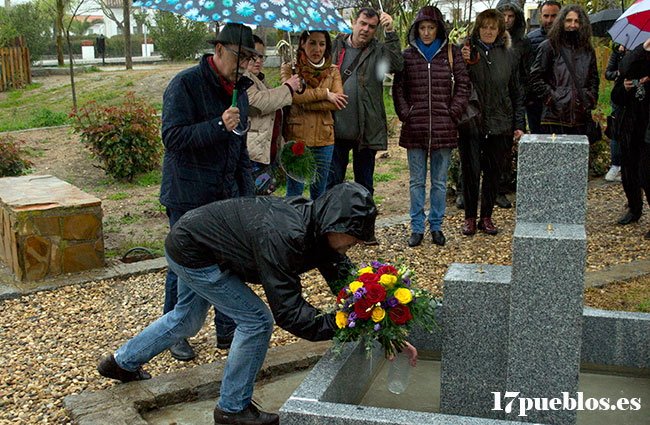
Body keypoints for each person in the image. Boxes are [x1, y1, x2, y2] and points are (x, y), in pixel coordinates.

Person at [97, 182, 418, 425]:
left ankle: (120, 363)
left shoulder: (319, 229)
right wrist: (343, 323)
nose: (352, 246)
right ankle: (232, 409)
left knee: (187, 320)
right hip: (194, 250)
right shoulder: (286, 236)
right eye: (352, 238)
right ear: (335, 224)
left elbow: (349, 287)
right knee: (256, 321)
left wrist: (384, 332)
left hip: (199, 238)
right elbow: (289, 314)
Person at [157, 23, 261, 362]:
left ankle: (227, 329)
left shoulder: (240, 91)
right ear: (218, 50)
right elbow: (172, 138)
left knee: (226, 261)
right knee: (182, 266)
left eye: (250, 57)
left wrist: (248, 198)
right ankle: (176, 333)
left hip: (224, 194)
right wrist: (218, 125)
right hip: (187, 193)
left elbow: (239, 150)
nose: (245, 64)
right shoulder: (185, 84)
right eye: (240, 56)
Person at [392, 6, 470, 247]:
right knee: (416, 181)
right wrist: (406, 114)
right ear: (416, 30)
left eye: (431, 28)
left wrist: (452, 113)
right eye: (422, 28)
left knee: (438, 181)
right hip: (415, 126)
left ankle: (436, 225)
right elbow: (398, 90)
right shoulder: (407, 55)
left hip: (443, 126)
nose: (426, 33)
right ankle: (417, 227)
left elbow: (463, 85)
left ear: (438, 29)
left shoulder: (451, 53)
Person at [327, 7, 404, 221]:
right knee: (332, 183)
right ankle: (332, 226)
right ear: (354, 22)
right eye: (362, 23)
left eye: (372, 26)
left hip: (366, 129)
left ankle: (364, 228)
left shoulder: (379, 51)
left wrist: (391, 34)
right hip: (335, 128)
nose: (366, 29)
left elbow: (398, 65)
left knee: (364, 186)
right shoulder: (335, 46)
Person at [459, 9, 526, 236]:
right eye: (484, 27)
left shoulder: (509, 54)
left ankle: (486, 216)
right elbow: (458, 83)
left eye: (493, 27)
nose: (488, 31)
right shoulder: (468, 51)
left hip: (501, 121)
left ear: (500, 31)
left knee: (493, 172)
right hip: (472, 121)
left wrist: (519, 123)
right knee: (471, 171)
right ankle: (469, 216)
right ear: (478, 28)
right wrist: (464, 61)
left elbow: (517, 91)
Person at [281, 30, 347, 200]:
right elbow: (291, 96)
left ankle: (316, 225)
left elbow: (338, 102)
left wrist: (305, 100)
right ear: (302, 43)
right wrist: (325, 94)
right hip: (297, 135)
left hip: (324, 139)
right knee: (294, 191)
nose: (317, 48)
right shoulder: (290, 68)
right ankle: (293, 225)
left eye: (322, 44)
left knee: (320, 191)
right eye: (312, 43)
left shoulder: (333, 71)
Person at [529, 4, 599, 137]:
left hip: (580, 116)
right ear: (562, 22)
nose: (572, 25)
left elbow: (593, 78)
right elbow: (535, 77)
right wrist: (551, 98)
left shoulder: (588, 50)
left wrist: (590, 98)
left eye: (577, 21)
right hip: (554, 117)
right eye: (568, 20)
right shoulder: (549, 46)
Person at [244, 35, 301, 195]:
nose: (258, 60)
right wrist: (288, 88)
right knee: (253, 203)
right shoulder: (243, 79)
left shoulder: (260, 80)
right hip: (253, 156)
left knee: (263, 200)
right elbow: (258, 102)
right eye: (253, 55)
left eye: (261, 56)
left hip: (266, 155)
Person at [496, 0, 532, 209]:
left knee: (504, 150)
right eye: (504, 16)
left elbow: (525, 74)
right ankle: (466, 190)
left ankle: (500, 189)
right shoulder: (489, 38)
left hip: (512, 99)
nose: (507, 20)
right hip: (490, 98)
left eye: (511, 16)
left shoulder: (522, 43)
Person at [615, 37, 650, 239]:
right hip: (631, 123)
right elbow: (616, 94)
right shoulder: (635, 58)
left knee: (647, 172)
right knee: (629, 168)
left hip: (647, 124)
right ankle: (634, 208)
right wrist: (626, 88)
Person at [524, 0, 561, 135]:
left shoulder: (568, 40)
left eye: (553, 16)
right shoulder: (530, 40)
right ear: (540, 16)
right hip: (536, 103)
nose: (549, 20)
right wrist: (529, 98)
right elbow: (526, 71)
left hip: (561, 101)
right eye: (546, 16)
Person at [604, 45, 625, 182]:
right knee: (615, 132)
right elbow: (608, 73)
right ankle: (615, 165)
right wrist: (619, 73)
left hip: (640, 99)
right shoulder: (618, 51)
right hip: (619, 98)